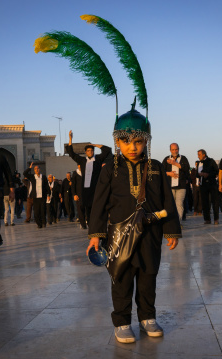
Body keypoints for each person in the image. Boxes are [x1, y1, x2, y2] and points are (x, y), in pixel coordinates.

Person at [87, 104, 181, 344]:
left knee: (149, 276)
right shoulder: (110, 170)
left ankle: (148, 317)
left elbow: (167, 201)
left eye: (138, 141)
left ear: (146, 141)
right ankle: (122, 321)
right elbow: (99, 203)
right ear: (117, 141)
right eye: (126, 141)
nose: (132, 147)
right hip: (119, 236)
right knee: (122, 278)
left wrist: (171, 230)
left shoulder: (157, 168)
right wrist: (96, 235)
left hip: (150, 234)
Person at [65, 130, 112, 224]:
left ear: (93, 151)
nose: (90, 152)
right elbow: (71, 153)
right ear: (85, 152)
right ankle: (91, 228)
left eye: (91, 150)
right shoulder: (82, 160)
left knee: (98, 208)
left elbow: (107, 150)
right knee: (88, 210)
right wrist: (70, 139)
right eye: (88, 150)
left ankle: (99, 226)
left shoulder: (98, 159)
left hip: (96, 189)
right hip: (86, 190)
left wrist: (95, 145)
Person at [162, 143, 190, 223]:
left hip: (181, 186)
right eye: (173, 149)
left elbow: (186, 168)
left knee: (179, 204)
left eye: (176, 149)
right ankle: (171, 222)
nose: (175, 151)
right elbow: (162, 171)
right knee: (170, 205)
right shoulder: (166, 159)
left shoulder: (183, 158)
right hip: (170, 186)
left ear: (178, 149)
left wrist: (175, 163)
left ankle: (178, 222)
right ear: (170, 150)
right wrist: (169, 173)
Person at [196, 149, 220, 224]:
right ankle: (207, 219)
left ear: (204, 154)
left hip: (212, 184)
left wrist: (207, 174)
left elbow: (216, 171)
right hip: (203, 185)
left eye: (199, 155)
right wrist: (200, 175)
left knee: (214, 202)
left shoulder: (211, 161)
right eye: (198, 155)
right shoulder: (199, 163)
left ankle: (216, 219)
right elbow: (197, 174)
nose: (198, 156)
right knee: (204, 202)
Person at [24, 163, 50, 228]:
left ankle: (44, 223)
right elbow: (25, 173)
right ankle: (39, 224)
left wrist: (48, 194)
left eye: (38, 168)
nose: (36, 170)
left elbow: (47, 186)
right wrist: (30, 168)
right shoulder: (32, 177)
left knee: (43, 211)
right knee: (36, 212)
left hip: (42, 197)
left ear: (40, 169)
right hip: (35, 198)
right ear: (34, 170)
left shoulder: (43, 177)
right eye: (35, 169)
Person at [71, 164, 87, 229]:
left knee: (86, 209)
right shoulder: (75, 173)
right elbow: (73, 185)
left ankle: (88, 222)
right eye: (79, 165)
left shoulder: (86, 172)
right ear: (78, 165)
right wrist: (74, 194)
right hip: (78, 195)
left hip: (86, 194)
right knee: (80, 209)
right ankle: (83, 224)